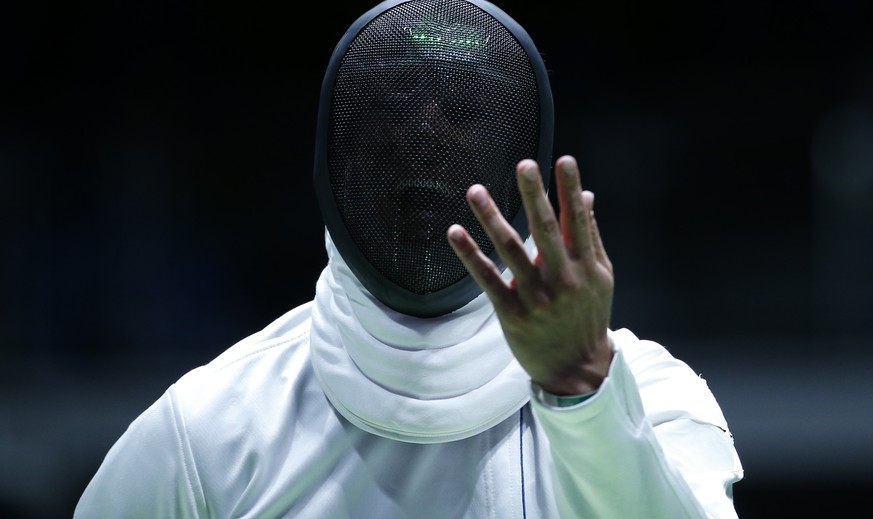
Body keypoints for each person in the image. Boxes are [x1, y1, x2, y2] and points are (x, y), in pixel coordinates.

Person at [74, 0, 744, 517]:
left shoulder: (650, 395)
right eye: (393, 106)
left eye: (461, 108)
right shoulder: (208, 429)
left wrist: (582, 384)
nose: (424, 134)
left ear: (520, 157)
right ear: (337, 153)